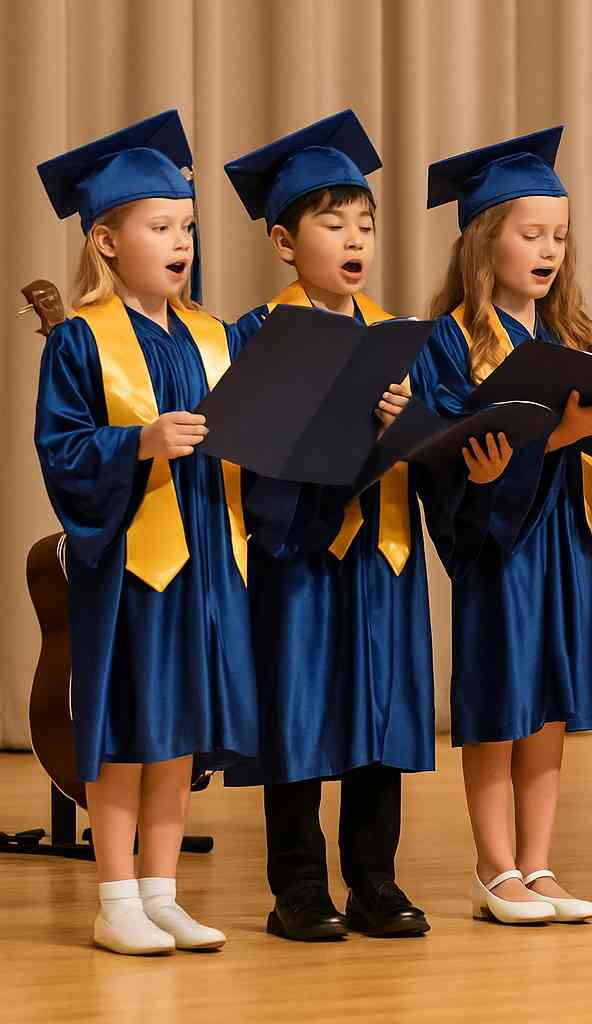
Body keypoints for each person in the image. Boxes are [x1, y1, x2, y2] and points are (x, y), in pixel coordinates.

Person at [34, 110, 258, 954]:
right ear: (104, 240)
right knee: (127, 725)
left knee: (179, 732)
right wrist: (138, 441)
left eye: (188, 227)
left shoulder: (212, 335)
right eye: (159, 226)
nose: (180, 241)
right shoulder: (80, 341)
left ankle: (161, 890)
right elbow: (60, 448)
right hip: (131, 560)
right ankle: (114, 893)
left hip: (204, 552)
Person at [222, 110, 434, 939]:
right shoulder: (256, 335)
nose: (355, 239)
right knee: (299, 714)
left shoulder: (398, 338)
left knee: (380, 712)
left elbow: (438, 443)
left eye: (366, 225)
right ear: (284, 240)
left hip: (381, 550)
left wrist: (404, 425)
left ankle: (375, 881)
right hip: (298, 550)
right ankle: (298, 887)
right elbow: (241, 446)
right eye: (332, 222)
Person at [415, 127, 592, 925]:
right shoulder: (448, 342)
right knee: (501, 701)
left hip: (562, 543)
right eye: (530, 233)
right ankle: (492, 867)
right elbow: (441, 456)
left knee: (548, 709)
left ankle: (538, 865)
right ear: (484, 241)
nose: (548, 250)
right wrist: (558, 439)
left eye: (560, 236)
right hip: (497, 548)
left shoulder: (574, 337)